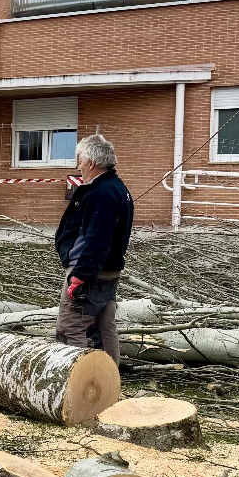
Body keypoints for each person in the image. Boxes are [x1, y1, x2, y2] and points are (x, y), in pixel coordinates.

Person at [54, 134, 133, 363]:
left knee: (70, 328)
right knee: (103, 325)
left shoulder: (102, 193)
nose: (78, 166)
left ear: (91, 163)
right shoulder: (117, 188)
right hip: (107, 271)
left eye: (80, 160)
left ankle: (73, 382)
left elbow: (96, 239)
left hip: (89, 273)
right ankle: (109, 382)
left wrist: (80, 276)